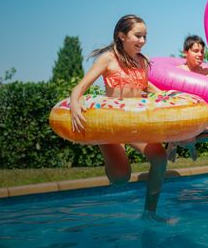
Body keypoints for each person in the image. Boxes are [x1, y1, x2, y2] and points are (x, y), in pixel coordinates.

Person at [69, 14, 167, 221]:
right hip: (111, 126)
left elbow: (147, 87)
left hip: (134, 124)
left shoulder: (143, 62)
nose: (142, 41)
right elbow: (80, 87)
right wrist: (75, 104)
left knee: (160, 157)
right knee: (121, 178)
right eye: (138, 36)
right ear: (122, 36)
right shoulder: (107, 59)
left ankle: (150, 213)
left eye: (145, 37)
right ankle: (104, 145)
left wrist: (168, 96)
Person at [165, 35, 208, 162]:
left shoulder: (206, 71)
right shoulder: (178, 72)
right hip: (182, 118)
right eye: (195, 51)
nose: (200, 54)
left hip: (199, 118)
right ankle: (182, 143)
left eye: (202, 52)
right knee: (188, 141)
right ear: (185, 52)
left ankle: (177, 142)